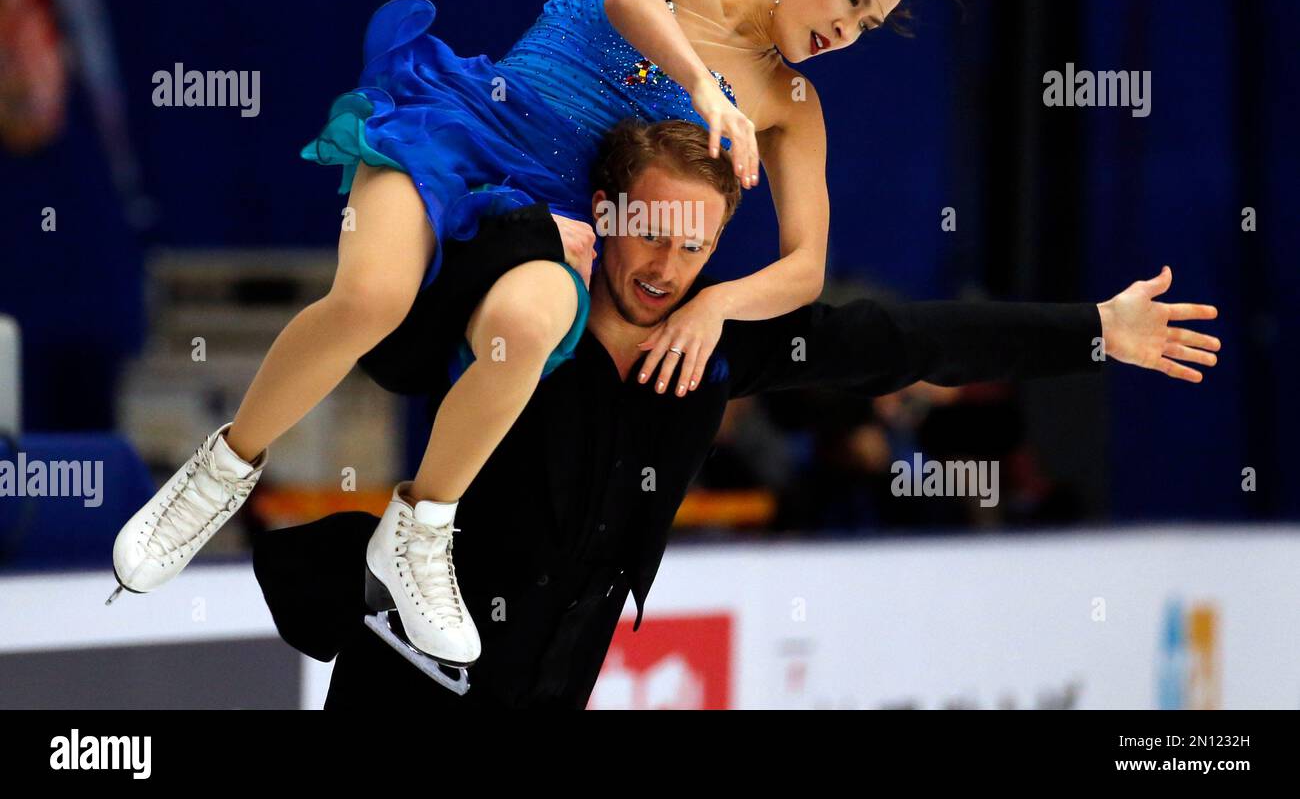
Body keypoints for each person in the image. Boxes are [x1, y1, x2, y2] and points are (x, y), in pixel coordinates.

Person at [112, 0, 1017, 667]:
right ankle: (223, 470)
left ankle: (420, 527)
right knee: (371, 299)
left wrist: (712, 306)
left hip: (545, 220)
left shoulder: (792, 105)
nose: (846, 32)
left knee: (529, 326)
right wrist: (705, 88)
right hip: (462, 129)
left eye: (871, 26)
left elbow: (807, 268)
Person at [252, 119, 1221, 709]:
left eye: (693, 245)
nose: (666, 266)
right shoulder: (527, 304)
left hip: (551, 682)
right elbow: (391, 343)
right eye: (650, 231)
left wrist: (1093, 327)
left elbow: (908, 339)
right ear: (606, 212)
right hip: (408, 675)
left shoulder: (715, 342)